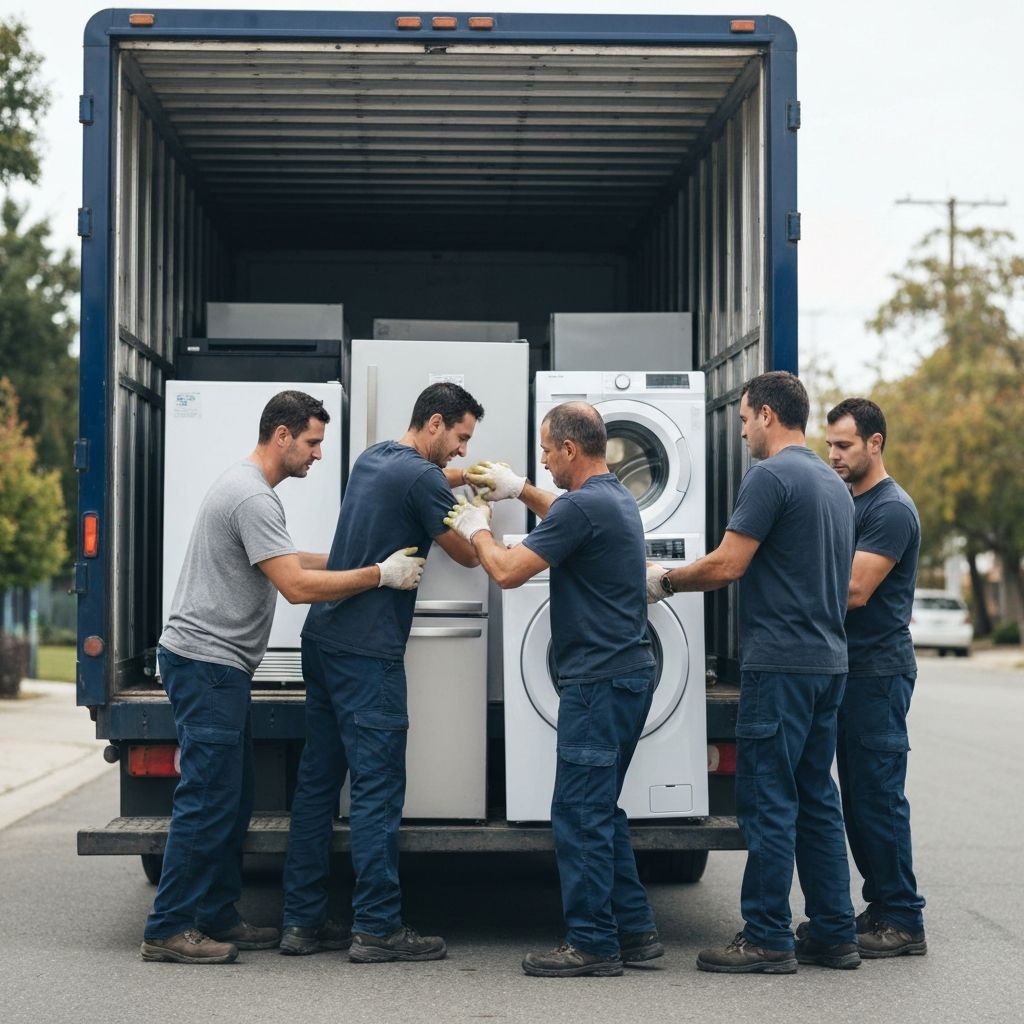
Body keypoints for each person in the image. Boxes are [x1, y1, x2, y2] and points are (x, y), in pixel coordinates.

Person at [142, 390, 424, 966]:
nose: (318, 454)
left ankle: (218, 916)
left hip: (217, 667)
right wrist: (380, 575)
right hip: (207, 665)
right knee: (207, 800)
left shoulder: (250, 489)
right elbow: (294, 586)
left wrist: (354, 554)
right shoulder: (252, 497)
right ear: (282, 436)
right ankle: (167, 928)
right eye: (313, 442)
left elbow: (288, 560)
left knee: (234, 797)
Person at [648, 371, 858, 974]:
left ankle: (767, 935)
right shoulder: (832, 483)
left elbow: (728, 563)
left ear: (767, 415)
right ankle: (834, 930)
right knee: (816, 798)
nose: (740, 432)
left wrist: (663, 581)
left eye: (743, 420)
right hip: (827, 662)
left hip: (782, 665)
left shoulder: (769, 476)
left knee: (768, 800)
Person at [446, 401, 660, 979]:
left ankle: (592, 943)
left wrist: (478, 528)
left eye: (546, 450)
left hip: (598, 681)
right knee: (601, 809)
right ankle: (635, 932)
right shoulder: (612, 497)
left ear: (570, 449)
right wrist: (520, 490)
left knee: (577, 812)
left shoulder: (585, 506)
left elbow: (509, 572)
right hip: (628, 675)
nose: (542, 460)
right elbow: (564, 510)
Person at [281, 381, 484, 963]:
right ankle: (376, 928)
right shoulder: (420, 478)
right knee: (376, 789)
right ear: (437, 422)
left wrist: (461, 481)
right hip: (367, 653)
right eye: (461, 439)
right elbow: (469, 554)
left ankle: (300, 923)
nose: (461, 453)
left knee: (318, 785)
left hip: (322, 639)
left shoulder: (374, 457)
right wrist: (480, 513)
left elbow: (421, 487)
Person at [821, 397, 927, 957]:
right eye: (830, 444)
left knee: (877, 796)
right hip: (849, 669)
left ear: (875, 443)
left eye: (844, 445)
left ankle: (904, 919)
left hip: (878, 673)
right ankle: (882, 906)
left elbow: (856, 590)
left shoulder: (890, 509)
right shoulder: (847, 501)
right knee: (856, 801)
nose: (833, 455)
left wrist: (792, 602)